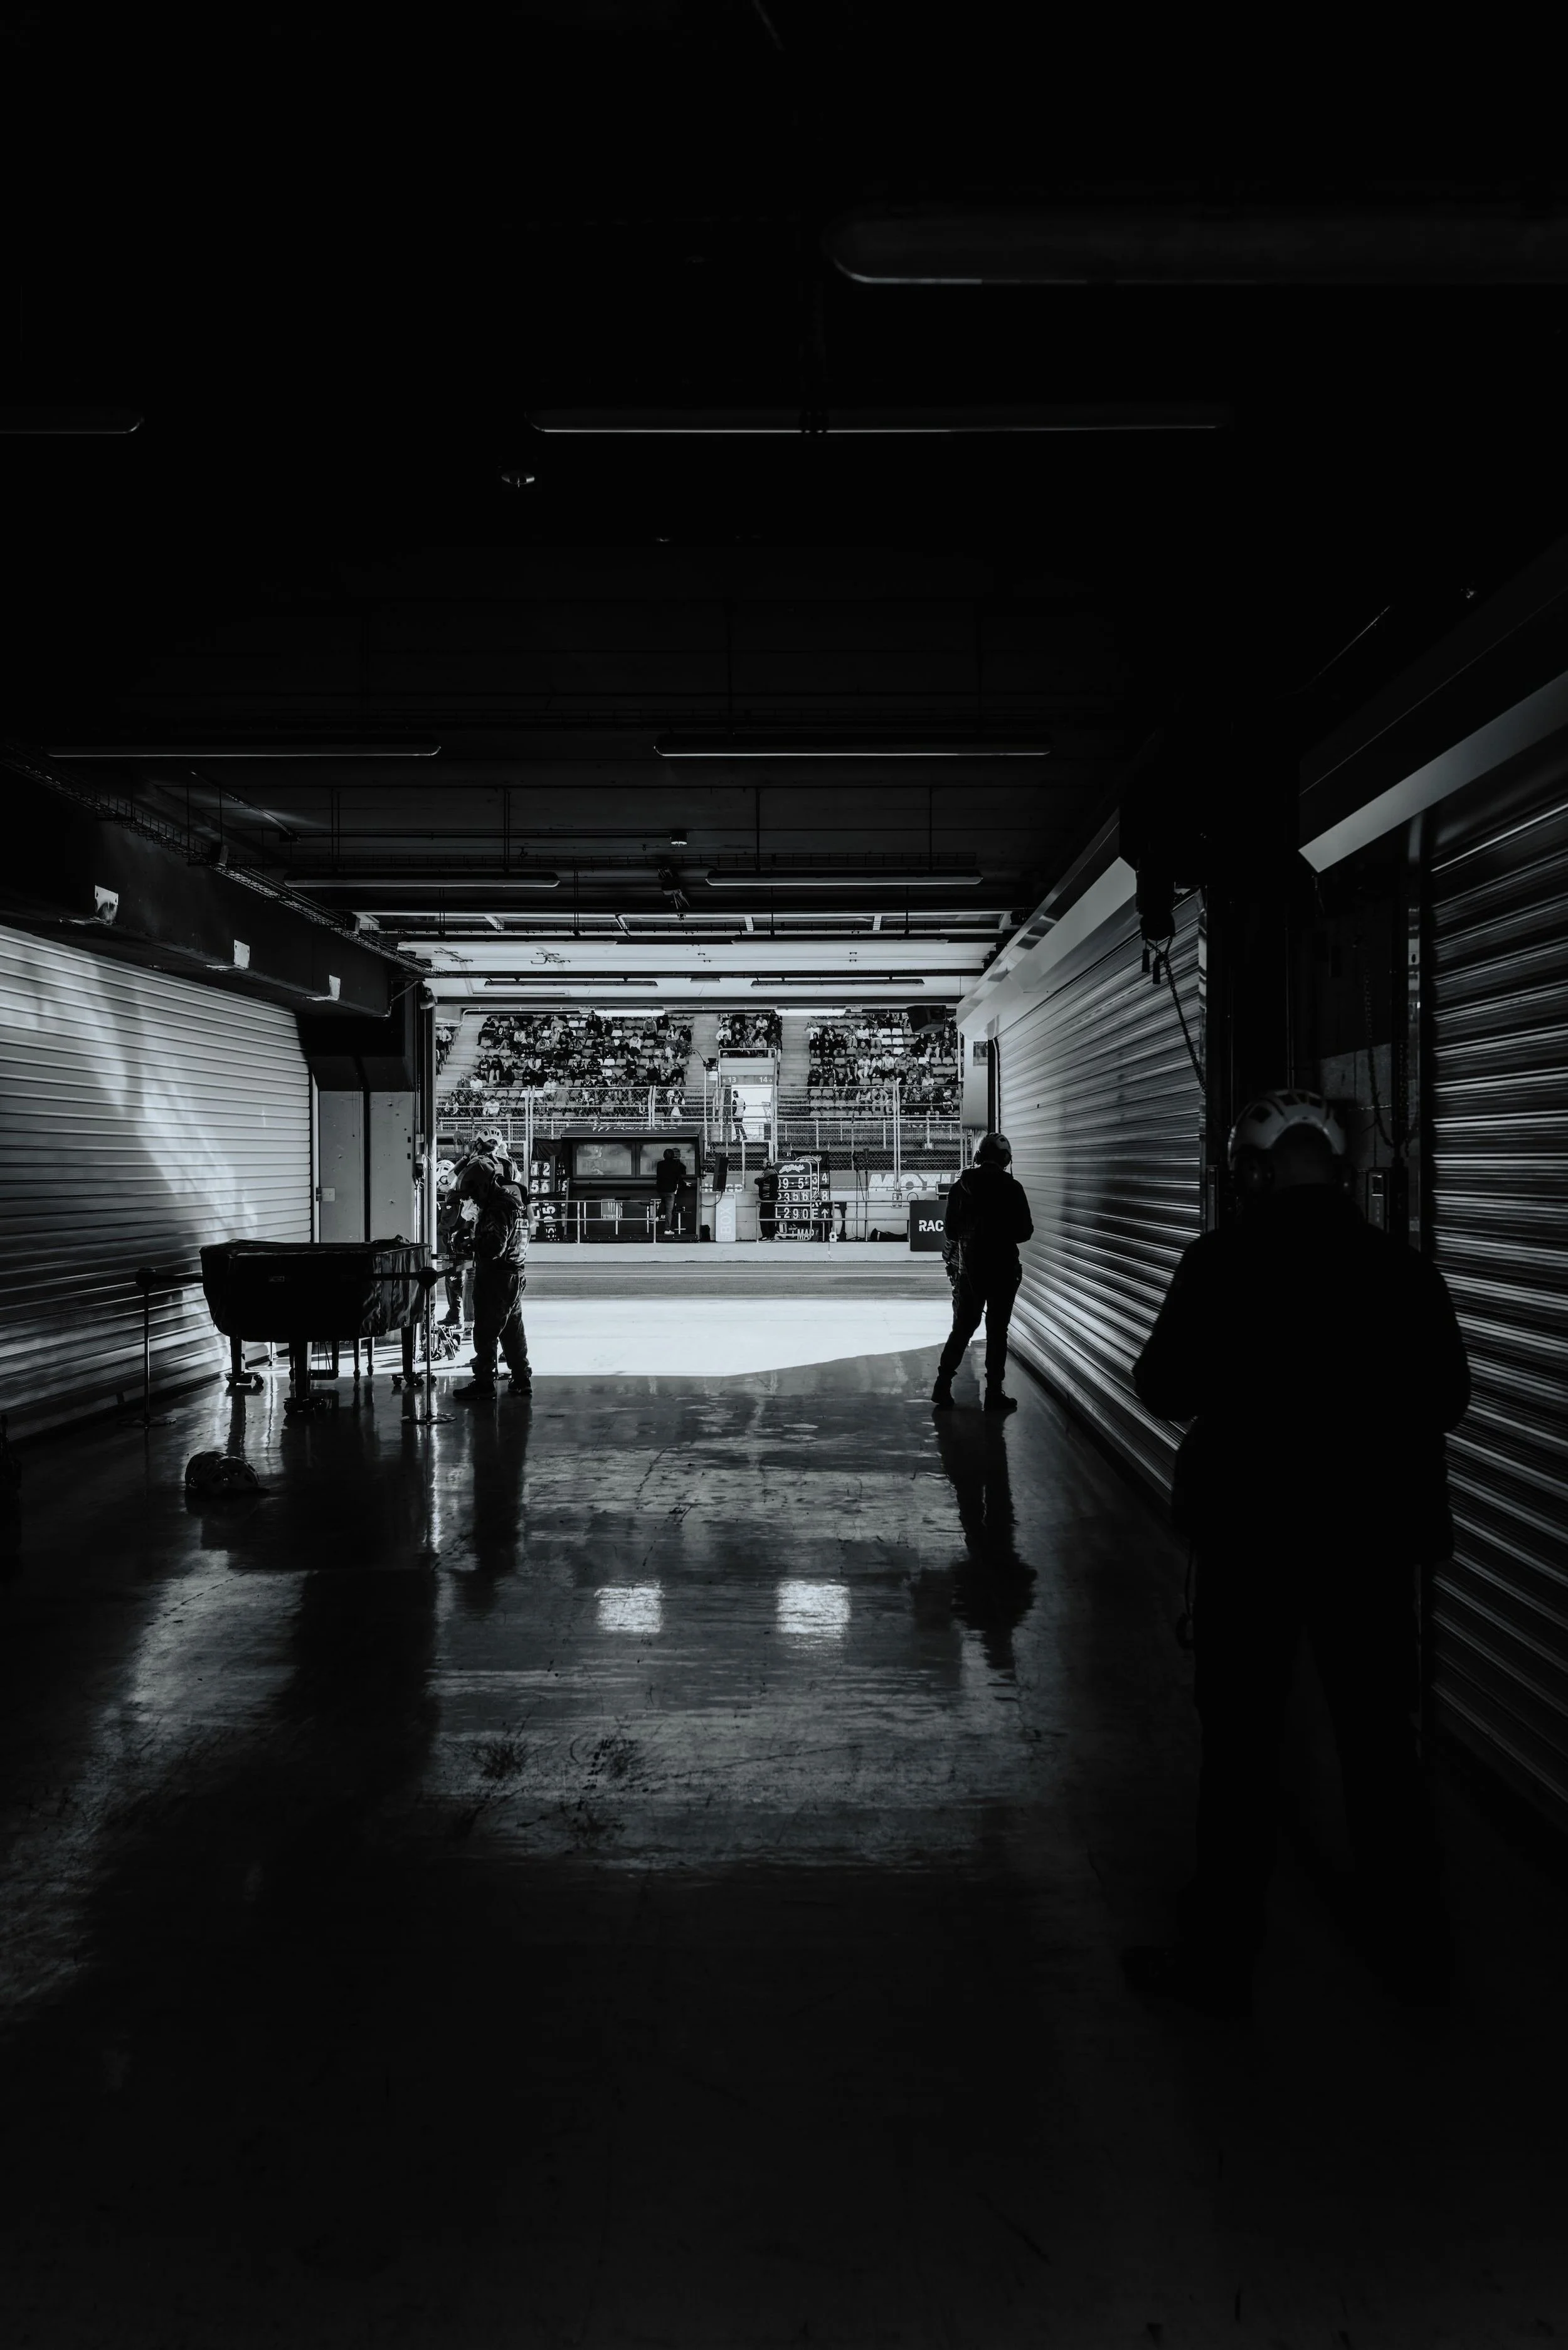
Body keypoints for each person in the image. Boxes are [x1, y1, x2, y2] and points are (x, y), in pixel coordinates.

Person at [1123, 1088, 1470, 2019]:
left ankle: (1222, 1957)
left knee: (1241, 1748)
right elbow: (1447, 1399)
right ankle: (1418, 1954)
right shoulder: (1404, 1269)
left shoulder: (1221, 1262)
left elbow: (1163, 1383)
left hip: (1254, 1537)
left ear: (1256, 1169)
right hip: (1371, 1542)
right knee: (1378, 1746)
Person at [931, 1133, 1034, 1415]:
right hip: (1003, 1269)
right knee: (997, 1331)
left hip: (970, 1268)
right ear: (1005, 1159)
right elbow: (1025, 1232)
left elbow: (951, 1232)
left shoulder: (960, 1187)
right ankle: (993, 1393)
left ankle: (942, 1384)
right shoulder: (1013, 1188)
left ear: (978, 1156)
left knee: (963, 1327)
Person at [452, 1135, 532, 1400]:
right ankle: (521, 1379)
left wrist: (469, 1243)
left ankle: (484, 1383)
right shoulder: (509, 1202)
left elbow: (493, 1247)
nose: (472, 1197)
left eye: (474, 1192)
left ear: (485, 1185)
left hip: (497, 1277)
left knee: (486, 1332)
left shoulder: (498, 1208)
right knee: (512, 1330)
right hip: (513, 1274)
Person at [654, 1146, 685, 1236]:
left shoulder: (660, 1164)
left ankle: (658, 1216)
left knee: (663, 1202)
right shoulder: (676, 1164)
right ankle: (667, 1230)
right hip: (670, 1190)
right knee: (669, 1211)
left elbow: (659, 1176)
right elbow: (678, 1177)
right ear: (673, 1156)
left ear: (664, 1156)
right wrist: (684, 1184)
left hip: (661, 1189)